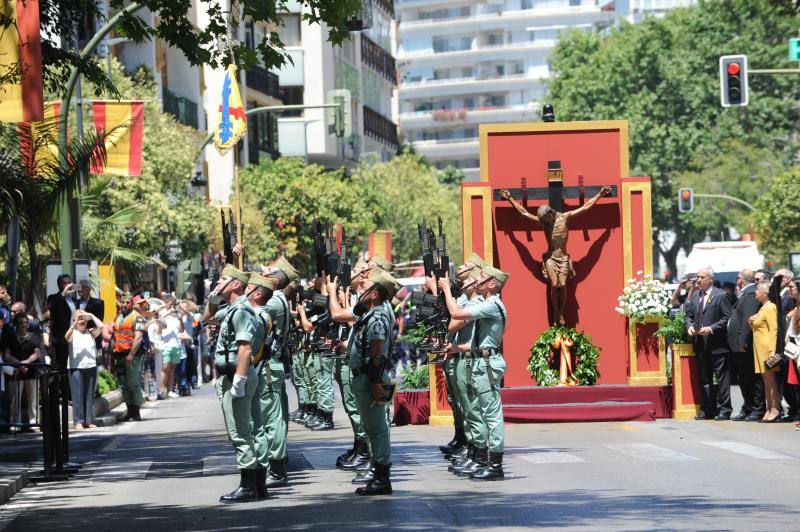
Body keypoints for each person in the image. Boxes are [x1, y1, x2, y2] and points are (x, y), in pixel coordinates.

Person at [499, 185, 611, 325]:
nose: (544, 222)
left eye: (545, 219)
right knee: (554, 284)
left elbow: (585, 207)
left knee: (563, 285)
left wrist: (600, 194)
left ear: (551, 214)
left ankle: (561, 311)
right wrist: (509, 198)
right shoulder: (545, 224)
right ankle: (556, 314)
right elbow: (524, 213)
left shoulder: (565, 218)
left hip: (563, 258)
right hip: (551, 258)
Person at [440, 264, 510, 481]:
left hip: (488, 364)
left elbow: (457, 313)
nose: (476, 281)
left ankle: (495, 464)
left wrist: (446, 289)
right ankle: (484, 458)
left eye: (481, 278)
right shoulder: (488, 304)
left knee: (491, 414)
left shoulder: (491, 304)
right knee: (481, 411)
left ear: (491, 284)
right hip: (481, 361)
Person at [204, 265, 262, 503]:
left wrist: (239, 378)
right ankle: (256, 483)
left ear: (236, 284)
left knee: (239, 432)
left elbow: (245, 348)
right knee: (244, 430)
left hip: (238, 376)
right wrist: (212, 296)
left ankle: (249, 486)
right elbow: (207, 318)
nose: (219, 282)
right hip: (234, 376)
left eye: (224, 279)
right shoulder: (231, 309)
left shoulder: (241, 311)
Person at [347, 269, 399, 496]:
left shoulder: (376, 316)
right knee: (375, 428)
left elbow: (378, 353)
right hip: (371, 377)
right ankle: (378, 474)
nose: (360, 288)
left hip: (373, 379)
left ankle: (381, 479)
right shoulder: (370, 314)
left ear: (375, 294)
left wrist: (375, 383)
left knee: (377, 429)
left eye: (365, 285)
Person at [259, 257, 299, 489]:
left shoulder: (273, 301)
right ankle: (277, 462)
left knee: (272, 419)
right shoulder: (278, 298)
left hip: (268, 365)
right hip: (272, 363)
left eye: (268, 271)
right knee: (277, 416)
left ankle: (277, 467)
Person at [445, 268, 486, 475]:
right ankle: (472, 451)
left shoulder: (476, 305)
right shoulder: (466, 301)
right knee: (466, 409)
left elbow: (452, 323)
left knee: (472, 410)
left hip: (469, 361)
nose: (464, 280)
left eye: (469, 277)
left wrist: (443, 290)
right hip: (461, 360)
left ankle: (480, 455)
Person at [684, 267, 733, 420]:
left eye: (702, 277)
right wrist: (690, 326)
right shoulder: (696, 295)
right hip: (700, 345)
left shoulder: (721, 295)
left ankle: (725, 409)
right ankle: (707, 409)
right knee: (704, 379)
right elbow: (688, 316)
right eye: (698, 277)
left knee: (721, 379)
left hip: (717, 345)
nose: (699, 280)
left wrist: (712, 329)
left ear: (711, 279)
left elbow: (728, 318)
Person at [726, 269, 765, 421]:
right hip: (738, 345)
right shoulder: (746, 292)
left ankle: (756, 408)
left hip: (744, 346)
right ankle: (747, 407)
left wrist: (743, 342)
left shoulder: (749, 294)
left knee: (752, 378)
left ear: (741, 279)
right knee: (743, 378)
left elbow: (747, 319)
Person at [111, 292, 146, 421]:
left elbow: (138, 338)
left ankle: (136, 412)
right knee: (124, 385)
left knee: (132, 383)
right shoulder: (118, 317)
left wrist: (131, 354)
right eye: (123, 302)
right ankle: (129, 410)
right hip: (119, 354)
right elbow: (115, 336)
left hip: (132, 355)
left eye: (128, 302)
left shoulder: (138, 317)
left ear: (132, 303)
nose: (125, 304)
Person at [65, 310, 103, 430]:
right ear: (75, 321)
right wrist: (75, 321)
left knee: (89, 395)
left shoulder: (90, 333)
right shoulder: (73, 333)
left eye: (84, 319)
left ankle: (88, 420)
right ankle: (78, 421)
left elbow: (101, 326)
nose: (83, 321)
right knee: (78, 395)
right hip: (76, 367)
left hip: (91, 366)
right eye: (80, 319)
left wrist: (91, 315)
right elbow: (66, 337)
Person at [4, 313, 43, 430]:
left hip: (31, 371)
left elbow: (37, 353)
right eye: (20, 323)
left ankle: (33, 423)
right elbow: (6, 355)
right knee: (14, 400)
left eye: (25, 323)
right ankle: (15, 424)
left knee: (33, 399)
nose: (23, 325)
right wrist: (19, 363)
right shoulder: (11, 338)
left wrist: (26, 363)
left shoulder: (35, 336)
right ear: (16, 325)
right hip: (15, 371)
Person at [749, 280, 781, 422]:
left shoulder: (770, 307)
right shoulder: (762, 308)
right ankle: (769, 408)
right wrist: (751, 321)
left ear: (764, 293)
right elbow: (757, 329)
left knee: (771, 380)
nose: (755, 292)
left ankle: (775, 409)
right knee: (766, 380)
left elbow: (773, 330)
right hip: (759, 349)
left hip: (767, 349)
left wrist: (772, 351)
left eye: (757, 290)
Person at [46, 273, 75, 369]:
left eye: (69, 283)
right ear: (59, 285)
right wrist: (63, 294)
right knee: (62, 367)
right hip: (61, 339)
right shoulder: (53, 298)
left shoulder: (74, 299)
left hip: (74, 337)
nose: (68, 285)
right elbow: (52, 307)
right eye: (64, 283)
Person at [158, 301, 184, 399]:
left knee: (172, 370)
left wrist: (180, 318)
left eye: (173, 305)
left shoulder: (175, 318)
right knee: (165, 368)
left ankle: (170, 390)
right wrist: (168, 312)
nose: (172, 307)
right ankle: (162, 390)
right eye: (170, 304)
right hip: (166, 345)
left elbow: (181, 330)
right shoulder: (162, 315)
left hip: (176, 346)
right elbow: (159, 322)